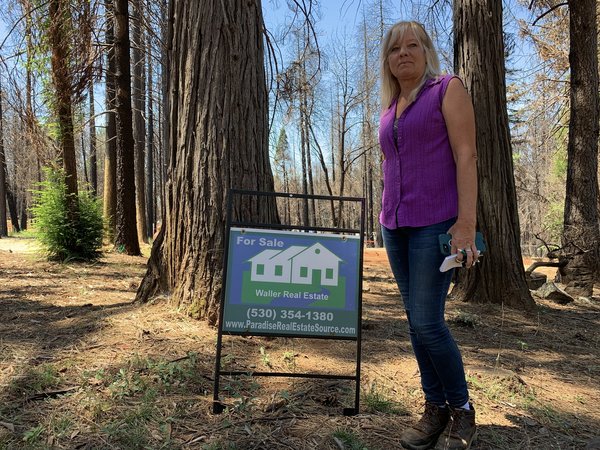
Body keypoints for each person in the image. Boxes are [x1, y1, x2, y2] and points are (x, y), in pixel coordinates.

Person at [378, 21, 479, 450]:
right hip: (394, 227)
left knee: (428, 323)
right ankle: (434, 407)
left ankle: (462, 412)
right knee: (417, 326)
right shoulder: (389, 109)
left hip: (436, 224)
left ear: (426, 51)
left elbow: (466, 154)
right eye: (395, 48)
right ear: (388, 60)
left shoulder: (446, 88)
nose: (404, 53)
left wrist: (466, 224)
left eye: (412, 45)